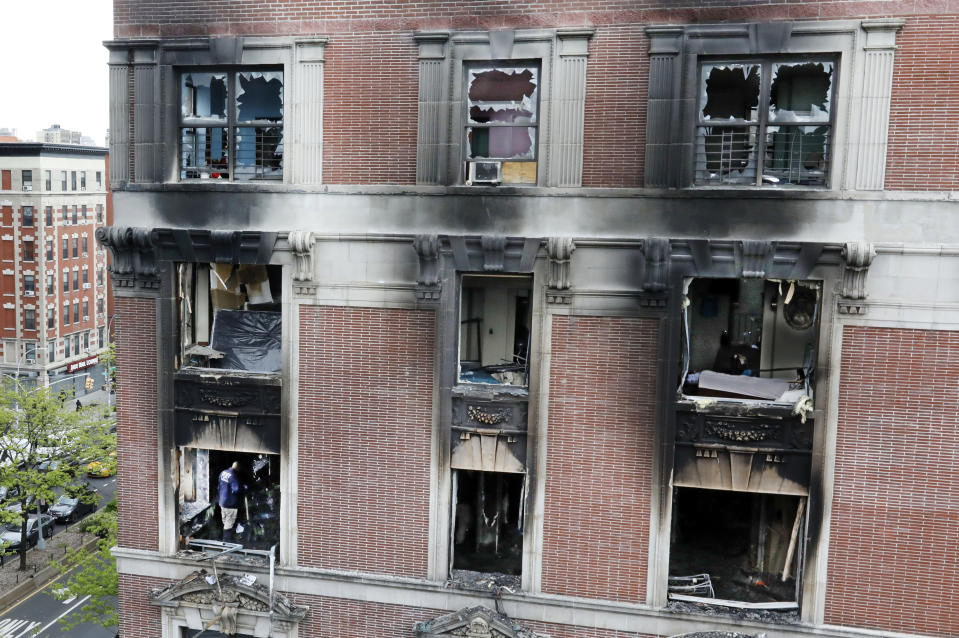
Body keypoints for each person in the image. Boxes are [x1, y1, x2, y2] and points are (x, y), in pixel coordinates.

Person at [217, 461, 245, 543]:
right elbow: (236, 489)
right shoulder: (233, 475)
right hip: (230, 503)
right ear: (238, 468)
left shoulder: (223, 472)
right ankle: (226, 541)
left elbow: (218, 486)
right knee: (229, 522)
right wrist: (243, 488)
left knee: (225, 521)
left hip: (222, 501)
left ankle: (226, 539)